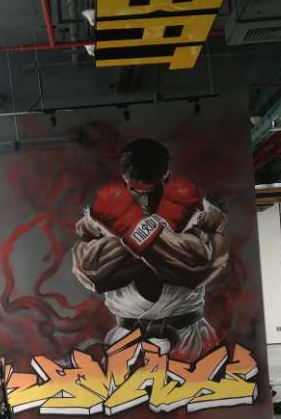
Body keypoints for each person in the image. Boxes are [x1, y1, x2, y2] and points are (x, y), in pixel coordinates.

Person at [72, 137, 229, 361]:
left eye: (151, 189)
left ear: (166, 177)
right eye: (137, 188)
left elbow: (198, 269)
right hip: (127, 339)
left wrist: (140, 232)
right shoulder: (100, 219)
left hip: (187, 336)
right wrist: (144, 230)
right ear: (125, 180)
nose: (144, 198)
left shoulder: (197, 212)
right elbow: (93, 273)